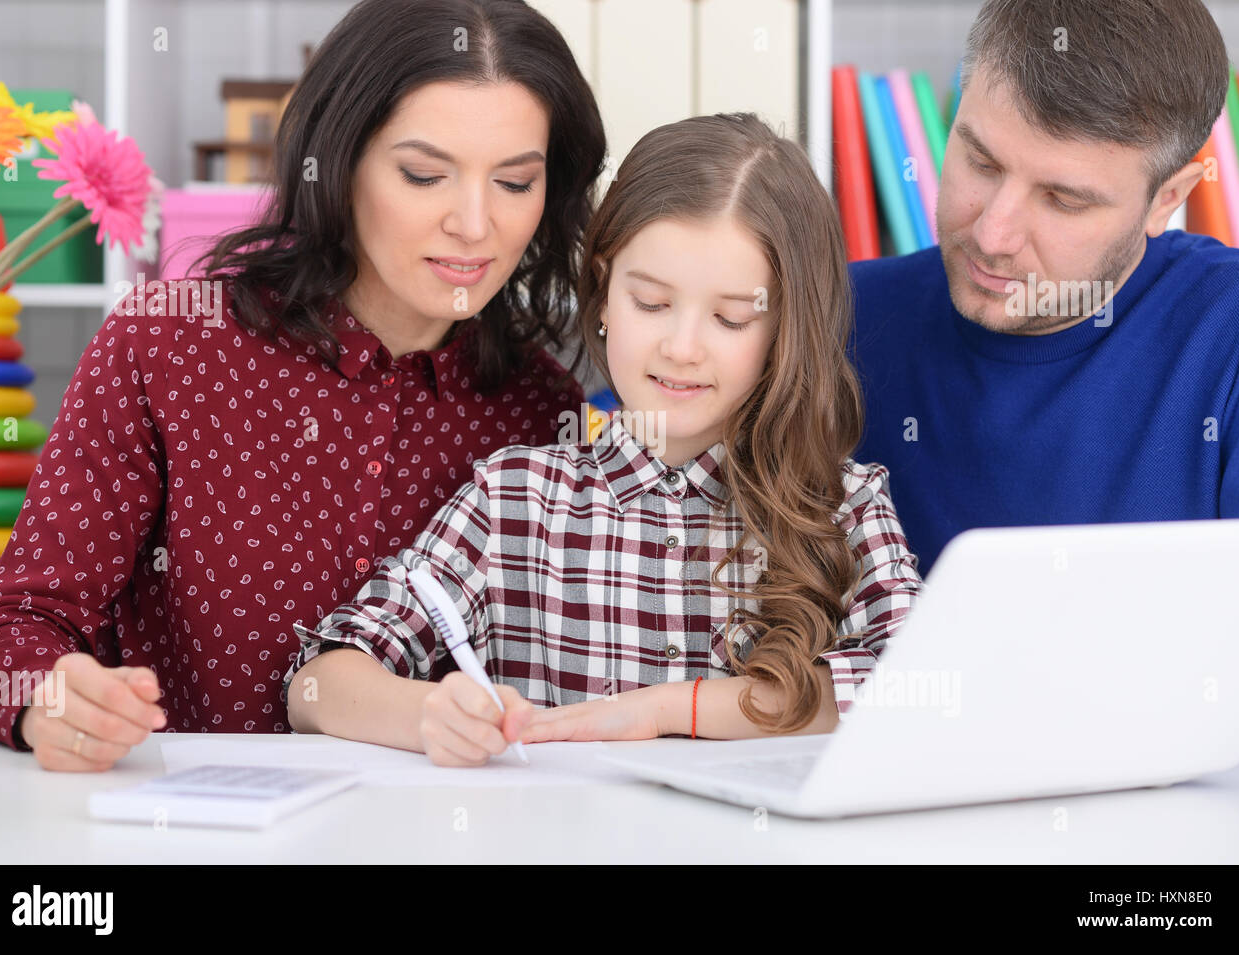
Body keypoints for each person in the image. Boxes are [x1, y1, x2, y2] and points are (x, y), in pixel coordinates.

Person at [0, 0, 606, 770]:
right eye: (424, 174)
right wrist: (49, 699)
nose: (475, 224)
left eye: (514, 181)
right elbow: (10, 637)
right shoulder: (167, 346)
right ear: (337, 160)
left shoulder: (544, 412)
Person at [285, 113, 923, 766]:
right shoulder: (516, 499)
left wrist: (663, 710)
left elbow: (920, 693)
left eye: (731, 318)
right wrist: (427, 714)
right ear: (604, 295)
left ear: (785, 331)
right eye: (650, 303)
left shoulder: (845, 507)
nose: (681, 348)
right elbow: (316, 685)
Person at [850, 0, 1239, 580]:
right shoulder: (833, 314)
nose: (993, 235)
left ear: (1168, 199)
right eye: (981, 162)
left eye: (1063, 200)